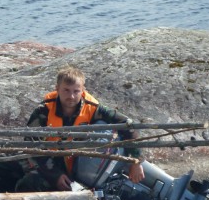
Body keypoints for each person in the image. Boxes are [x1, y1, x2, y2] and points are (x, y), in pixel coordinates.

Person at [15, 65, 145, 192]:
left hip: (79, 167)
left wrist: (136, 161)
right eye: (66, 90)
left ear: (82, 91)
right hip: (49, 165)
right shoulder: (44, 110)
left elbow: (129, 126)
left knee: (30, 184)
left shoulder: (94, 109)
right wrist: (55, 175)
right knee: (12, 176)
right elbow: (31, 144)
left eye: (76, 91)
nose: (71, 96)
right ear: (57, 89)